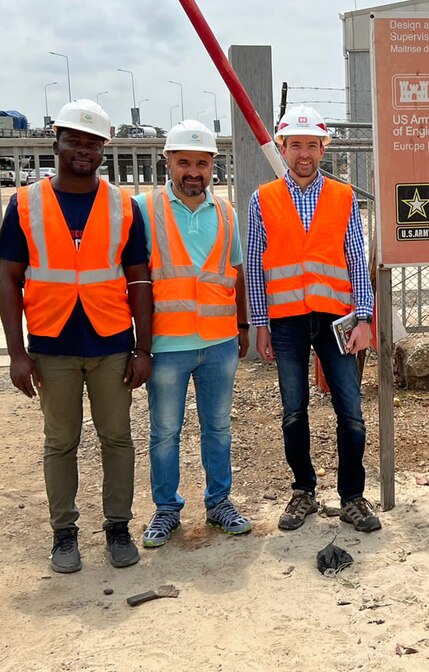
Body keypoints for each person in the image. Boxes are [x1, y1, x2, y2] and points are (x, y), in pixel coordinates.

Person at [0, 99, 152, 572]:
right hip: (52, 344)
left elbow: (140, 280)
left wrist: (142, 347)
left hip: (110, 343)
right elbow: (9, 281)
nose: (83, 150)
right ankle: (64, 534)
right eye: (74, 140)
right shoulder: (25, 203)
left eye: (92, 143)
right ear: (56, 141)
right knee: (60, 442)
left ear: (103, 150)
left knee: (117, 439)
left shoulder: (124, 206)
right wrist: (16, 354)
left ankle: (118, 528)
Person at [247, 106, 381, 533]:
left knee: (351, 412)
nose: (304, 153)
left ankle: (352, 498)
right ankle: (303, 491)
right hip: (285, 322)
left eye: (312, 145)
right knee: (293, 411)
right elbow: (254, 264)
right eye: (295, 145)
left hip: (335, 320)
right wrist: (260, 323)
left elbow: (356, 260)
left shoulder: (342, 197)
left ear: (323, 148)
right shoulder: (262, 198)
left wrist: (364, 317)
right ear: (283, 148)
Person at [133, 121, 252, 548]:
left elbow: (234, 273)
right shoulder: (145, 210)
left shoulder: (226, 212)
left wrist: (241, 325)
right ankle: (166, 509)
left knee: (218, 428)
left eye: (201, 163)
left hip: (219, 342)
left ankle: (219, 503)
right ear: (168, 162)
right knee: (165, 432)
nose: (193, 171)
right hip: (168, 345)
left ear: (212, 166)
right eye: (184, 161)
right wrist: (141, 345)